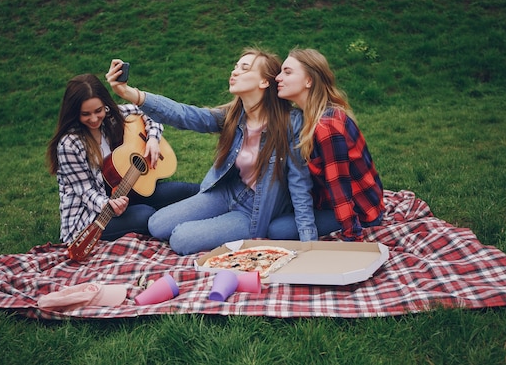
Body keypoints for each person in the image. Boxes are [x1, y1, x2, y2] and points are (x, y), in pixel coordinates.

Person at [105, 48, 317, 255]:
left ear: (264, 82)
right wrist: (130, 93)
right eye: (236, 67)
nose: (235, 72)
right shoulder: (234, 116)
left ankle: (230, 227)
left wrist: (309, 242)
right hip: (227, 192)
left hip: (254, 210)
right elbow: (185, 115)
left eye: (245, 68)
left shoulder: (290, 123)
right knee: (157, 224)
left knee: (180, 239)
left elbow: (300, 183)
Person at [46, 74, 199, 244]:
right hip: (91, 217)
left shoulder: (111, 116)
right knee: (146, 215)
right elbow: (85, 192)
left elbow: (148, 112)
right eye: (85, 114)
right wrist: (108, 204)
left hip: (128, 191)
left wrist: (153, 139)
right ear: (74, 113)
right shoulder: (69, 145)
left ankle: (225, 201)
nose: (94, 119)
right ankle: (188, 232)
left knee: (186, 191)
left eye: (98, 110)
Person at [269, 48, 384, 242]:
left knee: (277, 230)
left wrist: (351, 237)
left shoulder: (326, 126)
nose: (278, 78)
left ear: (309, 81)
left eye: (287, 72)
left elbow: (339, 187)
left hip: (361, 211)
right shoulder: (307, 117)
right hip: (328, 202)